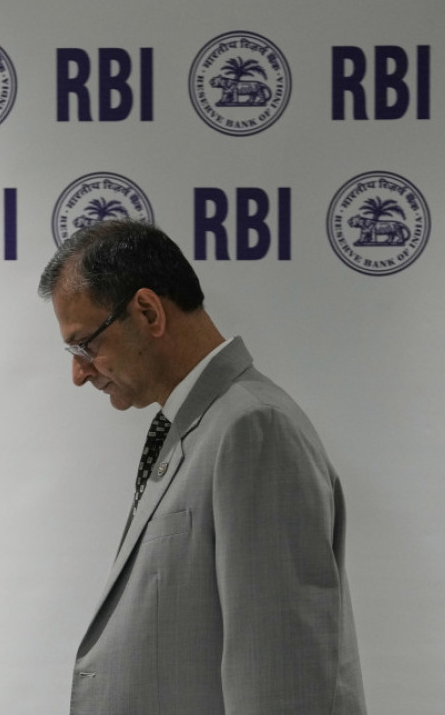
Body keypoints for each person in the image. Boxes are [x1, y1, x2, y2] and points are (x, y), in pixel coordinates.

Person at [38, 220, 366, 714]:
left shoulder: (253, 429)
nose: (78, 373)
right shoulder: (205, 426)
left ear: (148, 312)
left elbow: (282, 677)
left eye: (85, 345)